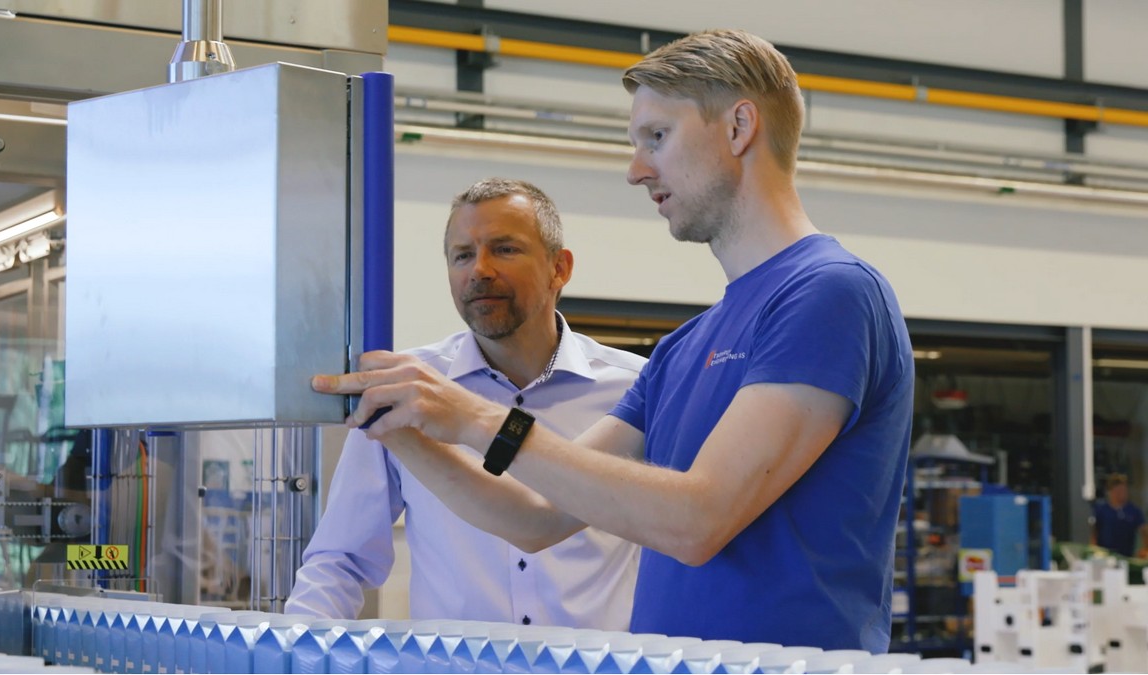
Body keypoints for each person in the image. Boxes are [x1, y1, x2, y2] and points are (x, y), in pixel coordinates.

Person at [314, 29, 913, 652]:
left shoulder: (829, 294)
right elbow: (532, 516)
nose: (635, 170)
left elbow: (698, 520)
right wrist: (396, 419)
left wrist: (474, 418)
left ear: (739, 127)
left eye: (657, 136)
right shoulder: (683, 348)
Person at [286, 178, 645, 629]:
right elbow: (341, 559)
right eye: (462, 255)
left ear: (560, 267)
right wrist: (293, 650)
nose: (480, 269)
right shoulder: (403, 391)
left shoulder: (633, 390)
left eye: (505, 249)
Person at [1091, 473, 1148, 558]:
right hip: (1104, 556)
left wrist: (1145, 550)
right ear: (1110, 492)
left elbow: (1144, 531)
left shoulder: (1134, 511)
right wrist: (1093, 550)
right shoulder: (1100, 510)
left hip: (1126, 556)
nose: (1121, 493)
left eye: (1124, 490)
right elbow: (1094, 533)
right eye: (1118, 490)